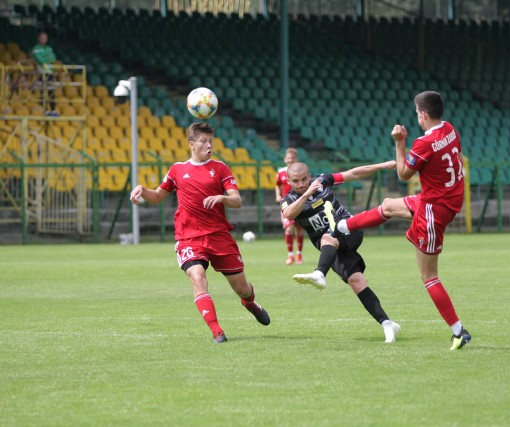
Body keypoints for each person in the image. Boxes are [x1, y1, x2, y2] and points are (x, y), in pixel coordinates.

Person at [337, 91, 471, 351]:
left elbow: (402, 173)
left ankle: (458, 331)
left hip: (434, 209)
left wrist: (400, 142)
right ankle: (342, 226)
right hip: (443, 199)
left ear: (422, 114)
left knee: (429, 276)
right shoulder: (451, 130)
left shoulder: (423, 143)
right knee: (388, 205)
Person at [130, 122, 270, 344]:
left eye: (211, 142)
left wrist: (222, 197)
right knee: (197, 277)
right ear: (191, 144)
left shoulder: (221, 168)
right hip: (189, 237)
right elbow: (157, 196)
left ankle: (250, 303)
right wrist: (142, 190)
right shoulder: (177, 169)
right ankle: (217, 331)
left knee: (242, 289)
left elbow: (237, 200)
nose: (208, 145)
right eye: (204, 141)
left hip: (218, 235)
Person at [281, 160, 401, 343]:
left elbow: (354, 173)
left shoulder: (323, 181)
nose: (301, 183)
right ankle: (387, 324)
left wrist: (382, 166)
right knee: (357, 281)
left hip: (349, 228)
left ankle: (320, 273)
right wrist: (306, 193)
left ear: (310, 175)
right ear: (289, 181)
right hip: (331, 249)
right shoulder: (289, 200)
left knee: (327, 238)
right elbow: (289, 214)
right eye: (296, 181)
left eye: (304, 179)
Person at [275, 147, 304, 265]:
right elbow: (277, 185)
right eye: (288, 158)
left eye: (292, 158)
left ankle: (299, 255)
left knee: (299, 229)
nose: (290, 160)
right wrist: (277, 195)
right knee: (289, 229)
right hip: (287, 204)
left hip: (300, 202)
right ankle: (290, 255)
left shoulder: (300, 171)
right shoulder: (281, 172)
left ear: (296, 159)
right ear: (284, 159)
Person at [31, 30, 58, 116]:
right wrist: (47, 58)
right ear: (39, 38)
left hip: (50, 72)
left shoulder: (49, 48)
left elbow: (54, 58)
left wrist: (45, 59)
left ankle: (53, 110)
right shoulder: (36, 48)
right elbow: (40, 60)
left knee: (51, 91)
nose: (44, 39)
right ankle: (45, 110)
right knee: (43, 91)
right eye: (42, 37)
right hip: (42, 72)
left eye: (45, 37)